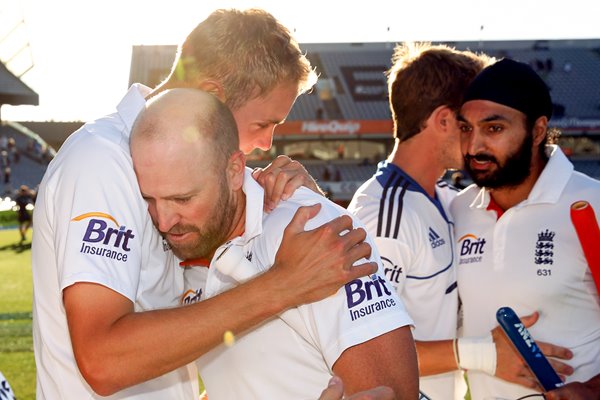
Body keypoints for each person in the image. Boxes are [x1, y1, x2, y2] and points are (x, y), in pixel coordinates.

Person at [32, 9, 376, 400]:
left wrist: (299, 203)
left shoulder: (182, 170)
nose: (267, 143)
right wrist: (285, 283)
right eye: (263, 124)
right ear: (212, 97)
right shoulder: (103, 160)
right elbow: (104, 359)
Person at [130, 88, 418, 399]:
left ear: (234, 171)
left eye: (183, 198)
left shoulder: (313, 231)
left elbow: (394, 392)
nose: (164, 221)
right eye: (149, 198)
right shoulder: (180, 245)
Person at [348, 43, 573, 399]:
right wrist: (483, 353)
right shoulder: (380, 218)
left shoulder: (449, 199)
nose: (476, 141)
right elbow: (365, 350)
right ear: (443, 121)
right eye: (468, 125)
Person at [453, 58, 600, 399]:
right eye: (466, 129)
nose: (474, 147)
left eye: (494, 129)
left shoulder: (589, 205)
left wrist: (593, 390)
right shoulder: (459, 209)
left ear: (537, 131)